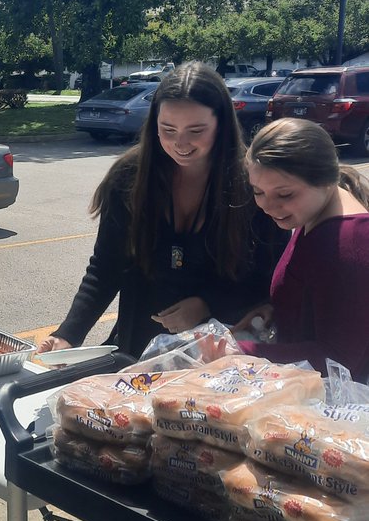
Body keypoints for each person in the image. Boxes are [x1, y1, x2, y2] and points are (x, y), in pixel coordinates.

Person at [39, 62, 285, 360]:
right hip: (135, 349)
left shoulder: (250, 184)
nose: (180, 143)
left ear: (222, 124)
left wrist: (207, 303)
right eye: (167, 129)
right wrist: (68, 334)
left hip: (220, 360)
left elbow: (270, 281)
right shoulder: (130, 177)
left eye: (196, 130)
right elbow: (106, 267)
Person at [234, 118, 369, 379]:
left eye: (285, 195)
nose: (268, 206)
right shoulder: (314, 217)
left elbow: (339, 360)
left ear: (327, 179)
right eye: (258, 191)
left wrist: (238, 353)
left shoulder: (348, 243)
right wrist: (278, 310)